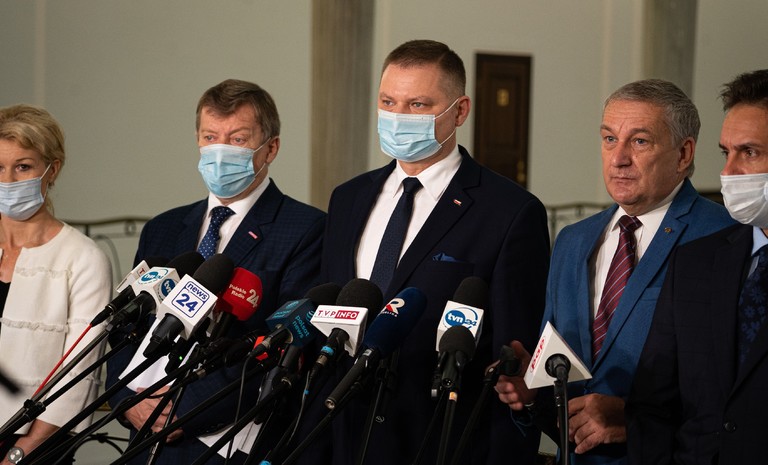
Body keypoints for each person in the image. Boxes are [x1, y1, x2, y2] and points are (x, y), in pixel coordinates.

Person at [311, 39, 550, 465]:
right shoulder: (348, 198)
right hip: (347, 432)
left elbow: (511, 363)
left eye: (418, 105)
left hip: (442, 439)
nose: (398, 117)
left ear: (460, 111)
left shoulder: (510, 211)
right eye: (388, 102)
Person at [495, 79, 736, 465]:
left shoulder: (726, 237)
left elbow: (736, 397)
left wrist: (633, 419)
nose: (618, 158)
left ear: (684, 153)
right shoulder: (573, 241)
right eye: (609, 139)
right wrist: (532, 392)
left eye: (639, 141)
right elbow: (562, 392)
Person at [105, 79, 326, 464]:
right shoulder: (163, 229)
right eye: (210, 137)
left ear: (271, 147)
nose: (220, 150)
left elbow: (284, 345)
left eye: (237, 139)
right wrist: (126, 399)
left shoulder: (307, 229)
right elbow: (127, 330)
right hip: (143, 442)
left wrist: (185, 408)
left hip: (228, 444)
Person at [626, 70, 768, 465]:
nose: (729, 172)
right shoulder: (695, 263)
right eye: (726, 153)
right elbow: (652, 404)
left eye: (750, 152)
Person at [0, 104, 112, 464]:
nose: (8, 181)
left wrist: (18, 454)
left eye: (23, 166)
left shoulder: (84, 258)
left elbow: (78, 376)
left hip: (31, 449)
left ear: (53, 170)